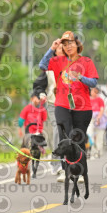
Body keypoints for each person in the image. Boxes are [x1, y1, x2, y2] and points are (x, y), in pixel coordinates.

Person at [39, 31, 98, 183]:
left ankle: (79, 170)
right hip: (62, 104)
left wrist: (80, 77)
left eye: (70, 43)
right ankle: (65, 170)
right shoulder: (58, 61)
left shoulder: (86, 61)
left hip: (82, 106)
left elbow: (93, 82)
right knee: (64, 137)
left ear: (77, 44)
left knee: (78, 138)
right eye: (64, 44)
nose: (68, 46)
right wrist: (52, 49)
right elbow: (43, 65)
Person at [31, 44, 65, 174]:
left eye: (65, 47)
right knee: (58, 129)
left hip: (70, 104)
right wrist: (41, 94)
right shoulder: (49, 67)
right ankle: (56, 163)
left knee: (69, 132)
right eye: (60, 48)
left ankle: (69, 161)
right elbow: (38, 85)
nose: (63, 49)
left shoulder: (73, 65)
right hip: (53, 103)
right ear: (55, 52)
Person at [87, 87, 107, 159]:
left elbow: (102, 109)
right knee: (90, 135)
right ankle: (92, 151)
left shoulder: (100, 100)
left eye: (96, 92)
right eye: (94, 91)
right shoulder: (88, 99)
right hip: (90, 119)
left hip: (99, 119)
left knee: (99, 136)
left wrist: (98, 118)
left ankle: (99, 151)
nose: (95, 93)